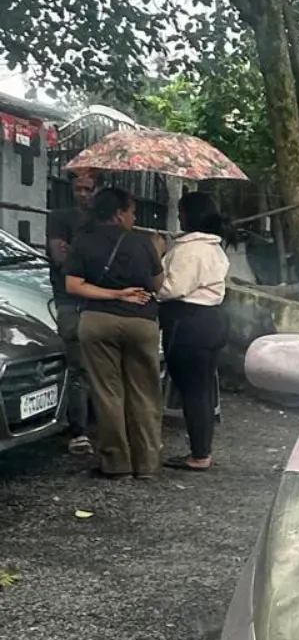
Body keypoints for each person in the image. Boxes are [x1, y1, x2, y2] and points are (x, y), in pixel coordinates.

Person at [64, 187, 164, 479]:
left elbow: (74, 285)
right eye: (132, 211)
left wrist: (113, 294)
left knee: (108, 394)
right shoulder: (144, 243)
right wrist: (157, 253)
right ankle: (146, 463)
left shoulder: (83, 241)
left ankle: (116, 463)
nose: (134, 217)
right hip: (141, 323)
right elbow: (159, 285)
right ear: (119, 213)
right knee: (144, 393)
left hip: (97, 322)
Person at [158, 191, 230, 471]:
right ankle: (203, 449)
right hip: (212, 319)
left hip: (188, 322)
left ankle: (200, 454)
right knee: (202, 388)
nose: (178, 216)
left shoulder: (190, 249)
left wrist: (156, 261)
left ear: (190, 215)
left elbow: (172, 288)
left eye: (181, 211)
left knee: (192, 391)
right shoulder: (214, 247)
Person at [46, 168, 103, 455]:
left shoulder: (101, 222)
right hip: (70, 301)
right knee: (78, 366)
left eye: (88, 189)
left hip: (98, 301)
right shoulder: (60, 218)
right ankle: (79, 430)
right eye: (78, 188)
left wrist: (79, 256)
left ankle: (98, 424)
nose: (82, 194)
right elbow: (60, 259)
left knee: (101, 366)